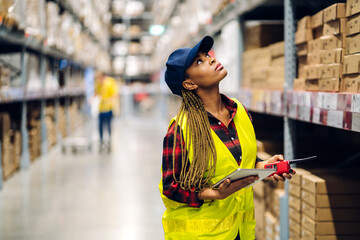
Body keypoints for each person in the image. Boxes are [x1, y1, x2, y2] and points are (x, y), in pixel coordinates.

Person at [159, 36, 296, 240]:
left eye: (207, 55)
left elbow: (236, 162)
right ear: (188, 84)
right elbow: (171, 187)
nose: (211, 59)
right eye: (199, 61)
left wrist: (263, 166)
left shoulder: (239, 110)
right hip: (202, 235)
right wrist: (214, 194)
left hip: (240, 230)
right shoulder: (181, 129)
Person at [94, 71, 118, 152]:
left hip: (108, 108)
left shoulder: (110, 82)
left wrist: (108, 100)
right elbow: (96, 93)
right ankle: (101, 141)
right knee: (100, 126)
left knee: (108, 126)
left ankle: (109, 141)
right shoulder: (98, 83)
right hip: (101, 109)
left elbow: (115, 94)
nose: (98, 80)